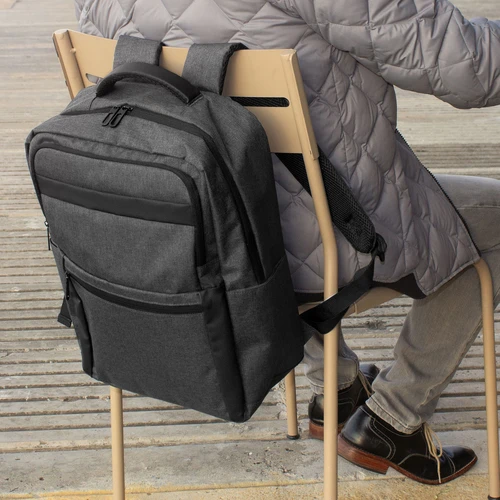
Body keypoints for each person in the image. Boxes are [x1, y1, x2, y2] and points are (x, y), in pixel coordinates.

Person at [75, 0, 500, 485]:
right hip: (335, 233)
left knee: (275, 196)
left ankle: (336, 388)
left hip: (193, 238)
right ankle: (395, 415)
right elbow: (465, 67)